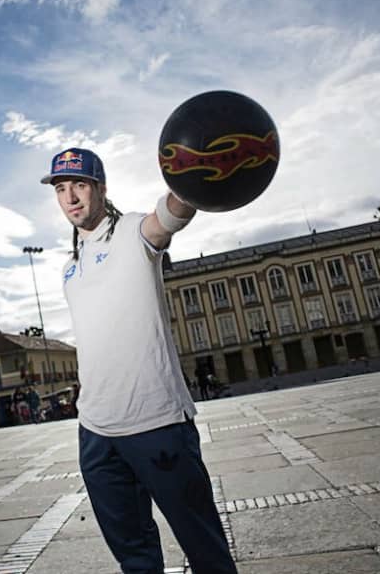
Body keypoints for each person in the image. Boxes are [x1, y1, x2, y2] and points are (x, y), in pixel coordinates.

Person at [41, 147, 236, 574]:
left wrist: (191, 176)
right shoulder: (70, 267)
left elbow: (168, 217)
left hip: (156, 422)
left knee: (204, 548)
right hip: (96, 432)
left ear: (100, 188)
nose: (70, 197)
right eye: (60, 188)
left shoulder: (132, 232)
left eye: (79, 185)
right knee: (135, 559)